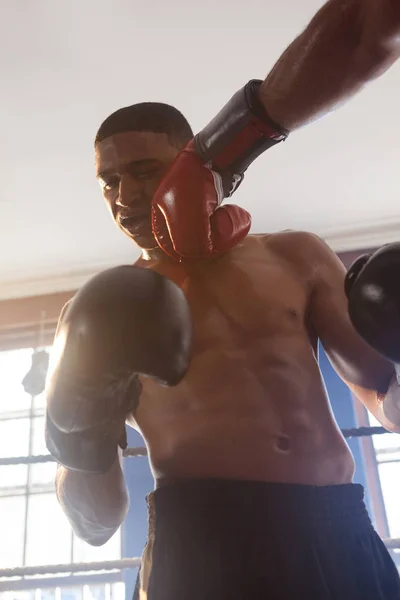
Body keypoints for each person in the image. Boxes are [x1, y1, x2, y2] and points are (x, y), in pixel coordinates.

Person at [48, 0, 400, 598]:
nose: (126, 195)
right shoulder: (104, 312)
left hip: (337, 522)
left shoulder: (295, 255)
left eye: (145, 170)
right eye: (110, 182)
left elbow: (383, 397)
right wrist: (77, 426)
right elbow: (95, 522)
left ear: (195, 165)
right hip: (202, 542)